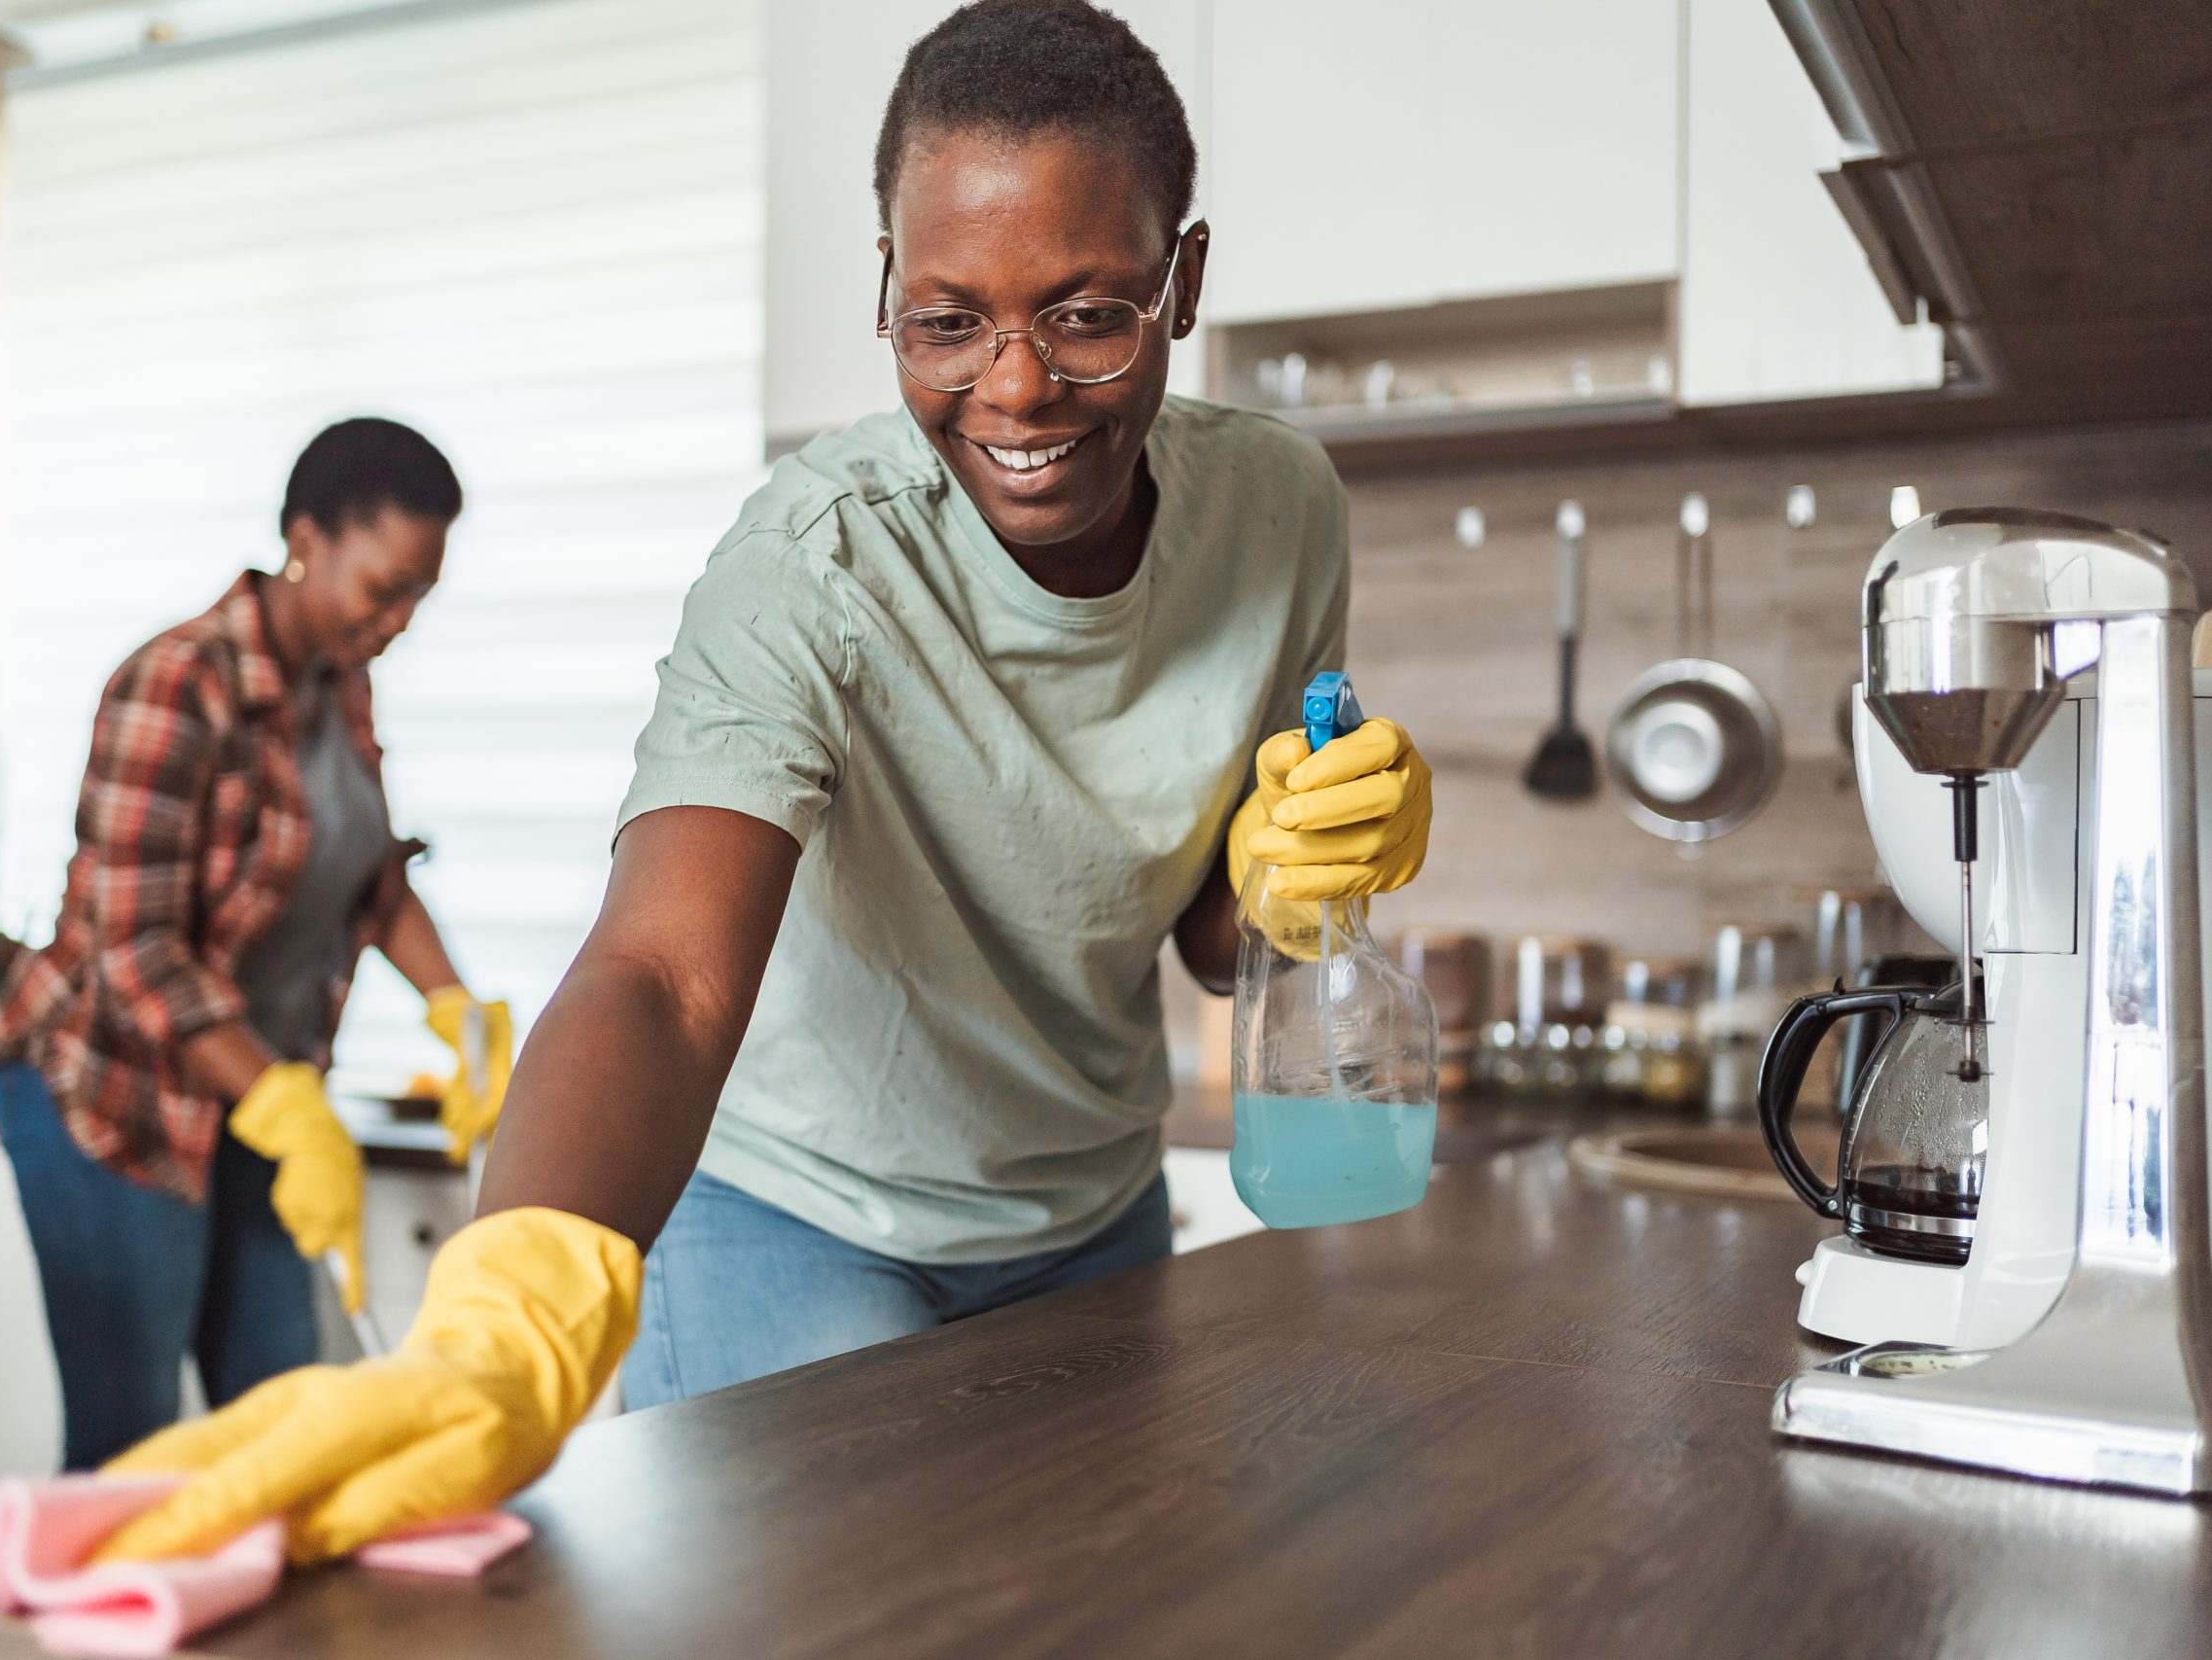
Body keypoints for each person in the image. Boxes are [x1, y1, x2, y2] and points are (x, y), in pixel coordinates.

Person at [93, 0, 1430, 1563]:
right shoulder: (814, 560)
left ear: (1181, 281)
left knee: (1109, 1599)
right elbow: (662, 972)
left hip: (1090, 1214)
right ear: (887, 292)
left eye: (1086, 314)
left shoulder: (1279, 512)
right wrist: (508, 1311)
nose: (1012, 389)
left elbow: (1213, 942)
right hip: (799, 1215)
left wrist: (1291, 870)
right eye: (945, 321)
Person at [0, 417, 516, 1470]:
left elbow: (370, 876)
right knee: (132, 1440)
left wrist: (458, 1007)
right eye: (385, 588)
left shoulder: (340, 680)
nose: (399, 621)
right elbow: (132, 950)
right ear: (306, 536)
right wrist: (278, 1100)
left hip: (252, 1101)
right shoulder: (178, 681)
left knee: (286, 1419)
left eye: (420, 598)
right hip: (113, 1096)